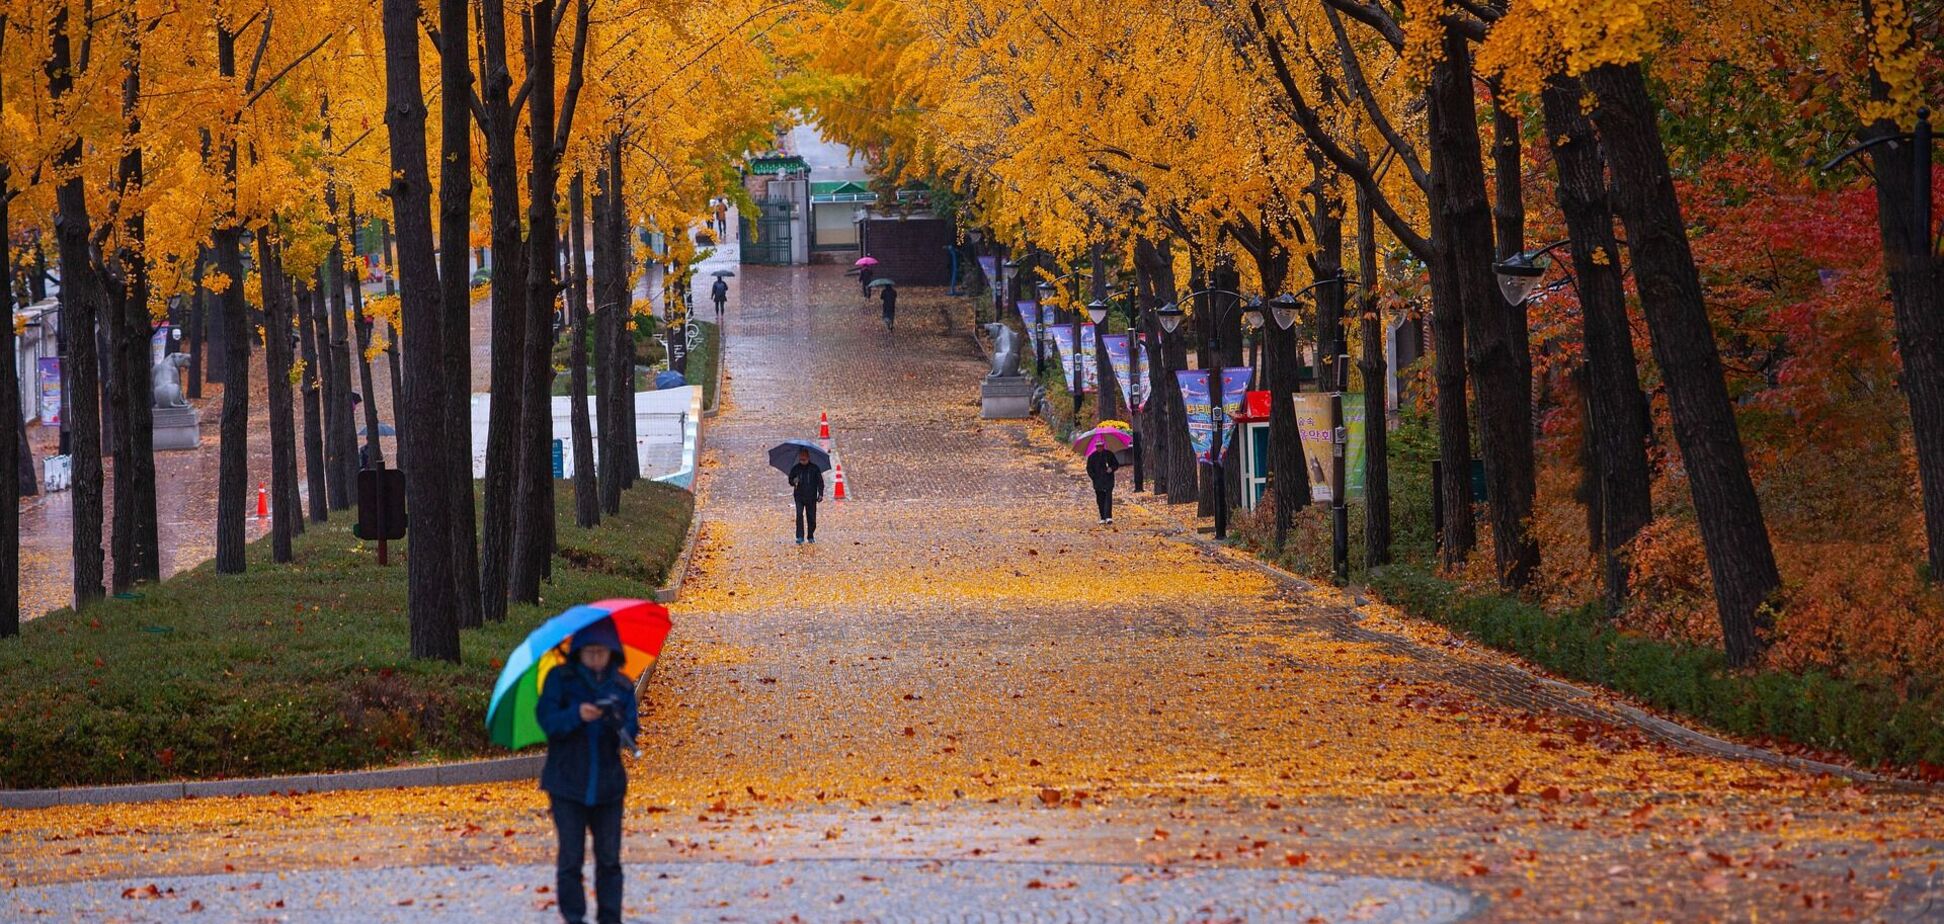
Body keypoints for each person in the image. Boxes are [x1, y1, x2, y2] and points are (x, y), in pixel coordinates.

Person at [537, 620, 640, 924]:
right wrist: (576, 715)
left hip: (608, 786)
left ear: (612, 653)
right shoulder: (561, 680)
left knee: (609, 859)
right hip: (566, 784)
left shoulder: (621, 685)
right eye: (590, 652)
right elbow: (548, 721)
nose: (596, 658)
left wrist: (615, 720)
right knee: (571, 857)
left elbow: (632, 728)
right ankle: (574, 916)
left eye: (602, 652)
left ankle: (610, 917)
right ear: (579, 653)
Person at [788, 449, 824, 545]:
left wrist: (820, 493)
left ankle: (810, 535)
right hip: (799, 496)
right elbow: (790, 480)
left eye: (804, 459)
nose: (802, 461)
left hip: (811, 497)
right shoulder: (796, 469)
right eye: (801, 459)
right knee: (799, 515)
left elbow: (820, 482)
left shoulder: (814, 469)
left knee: (811, 517)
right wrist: (793, 481)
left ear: (808, 458)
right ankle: (800, 536)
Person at [1087, 443, 1121, 524]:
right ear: (1096, 447)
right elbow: (1089, 468)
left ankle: (1108, 516)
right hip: (1098, 482)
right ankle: (1102, 517)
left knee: (1108, 498)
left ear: (1103, 446)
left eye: (1101, 446)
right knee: (1100, 499)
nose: (1099, 448)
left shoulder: (1109, 454)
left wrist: (1111, 468)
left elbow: (1116, 464)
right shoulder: (1092, 457)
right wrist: (1094, 477)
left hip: (1108, 480)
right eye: (1098, 446)